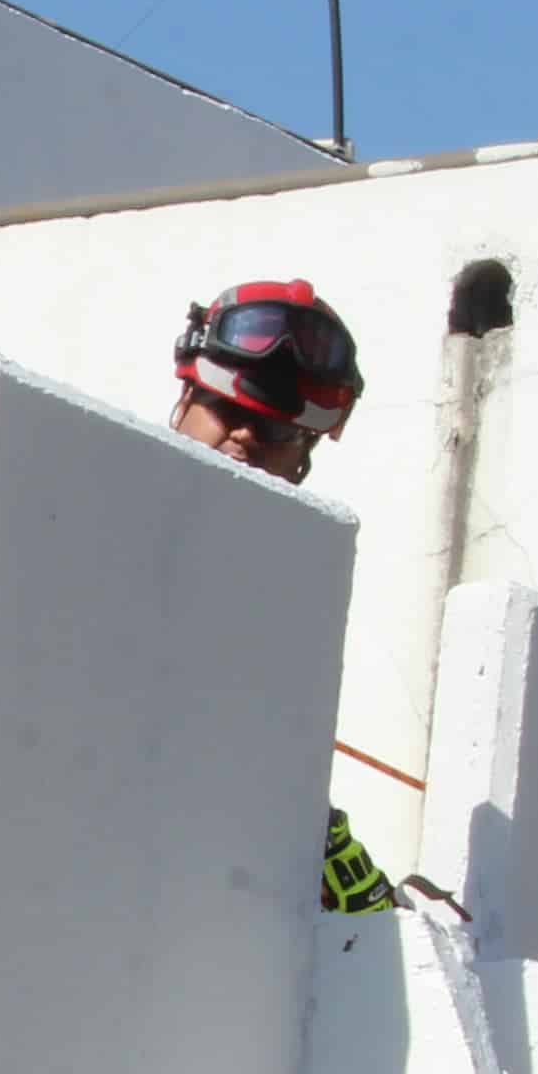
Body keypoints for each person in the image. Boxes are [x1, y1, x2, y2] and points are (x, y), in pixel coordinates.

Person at [164, 279, 399, 911]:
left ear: (302, 460)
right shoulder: (86, 508)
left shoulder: (282, 597)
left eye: (273, 431)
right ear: (184, 399)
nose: (243, 438)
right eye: (227, 411)